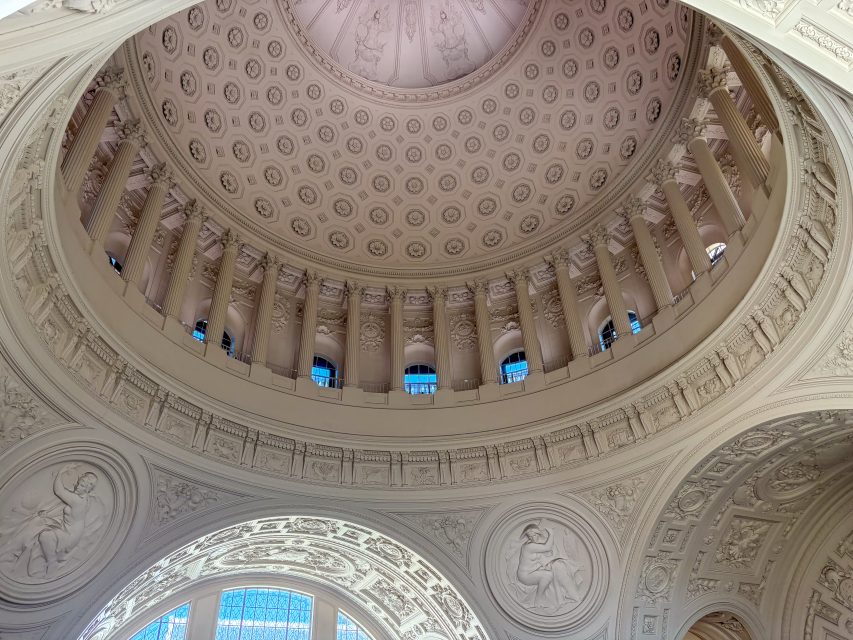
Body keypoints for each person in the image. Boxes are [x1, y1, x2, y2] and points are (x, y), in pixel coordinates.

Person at [514, 522, 583, 610]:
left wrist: (548, 560)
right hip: (525, 576)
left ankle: (572, 594)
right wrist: (551, 534)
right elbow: (548, 547)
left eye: (534, 535)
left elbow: (552, 554)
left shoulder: (538, 544)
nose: (532, 538)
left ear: (538, 534)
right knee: (548, 575)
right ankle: (538, 600)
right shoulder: (529, 546)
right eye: (530, 536)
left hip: (534, 571)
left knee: (559, 566)